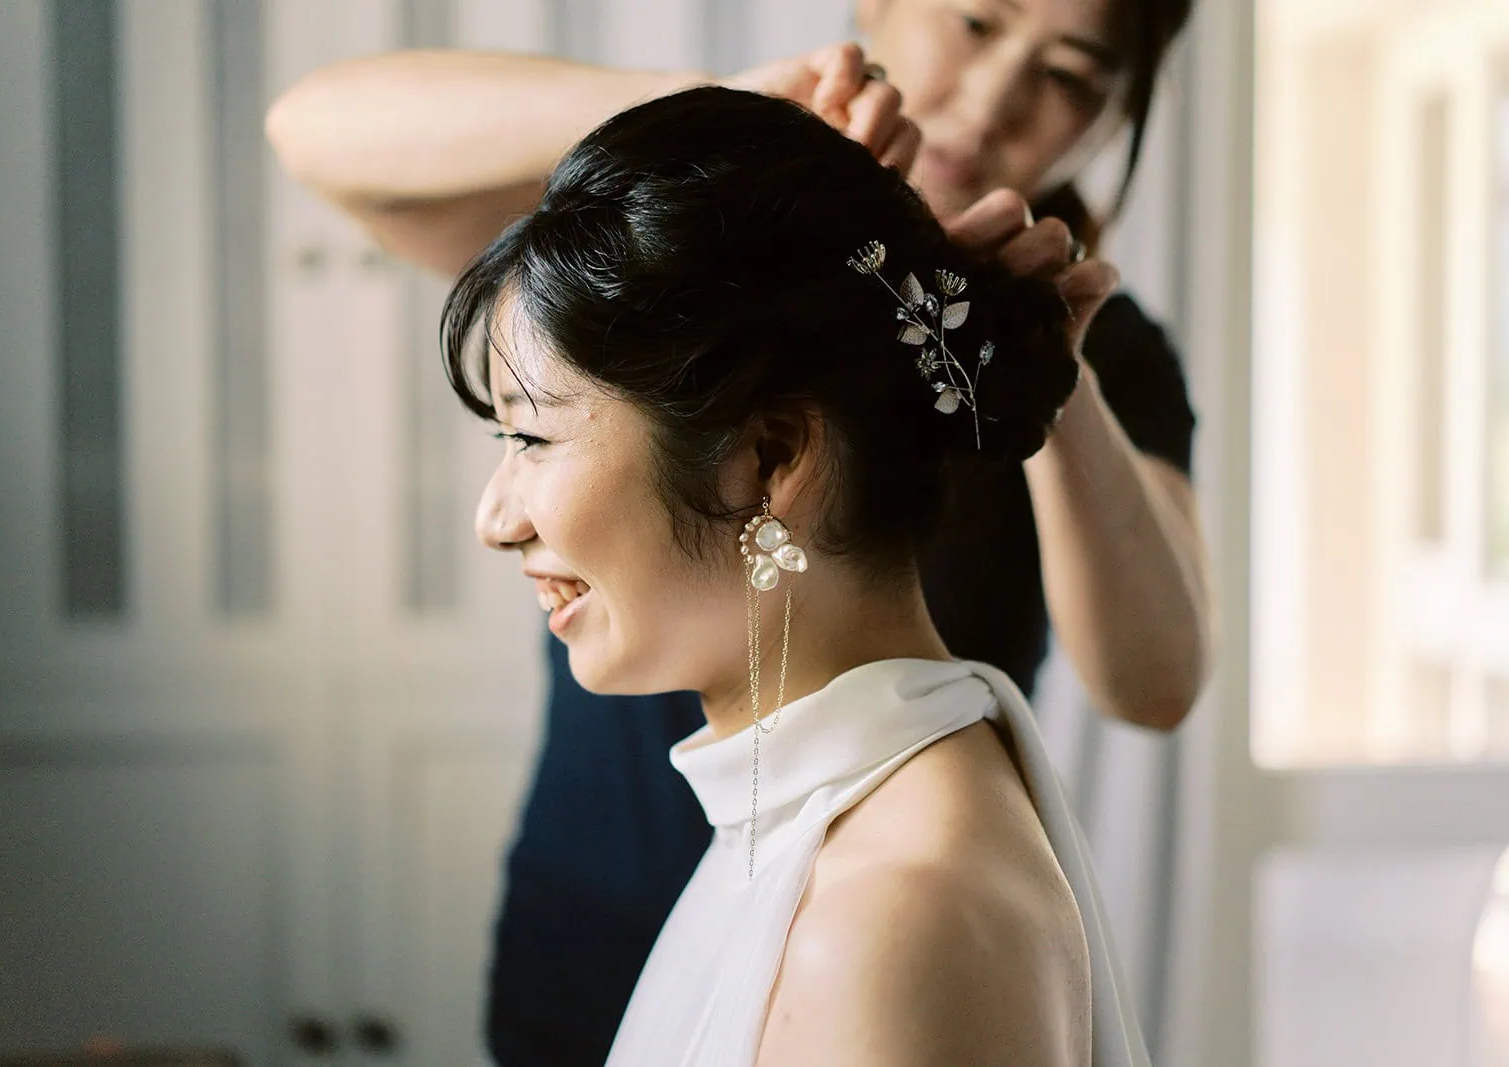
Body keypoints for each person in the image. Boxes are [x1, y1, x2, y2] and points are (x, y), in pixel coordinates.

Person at [266, 2, 1212, 1062]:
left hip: (868, 920)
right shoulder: (687, 247)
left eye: (1075, 76)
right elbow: (315, 129)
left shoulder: (907, 905)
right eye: (977, 23)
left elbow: (1156, 674)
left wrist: (1039, 360)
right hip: (619, 905)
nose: (992, 101)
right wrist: (716, 121)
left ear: (771, 458)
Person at [444, 84, 1149, 1065]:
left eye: (532, 434)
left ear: (770, 456)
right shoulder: (820, 817)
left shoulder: (889, 922)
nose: (494, 518)